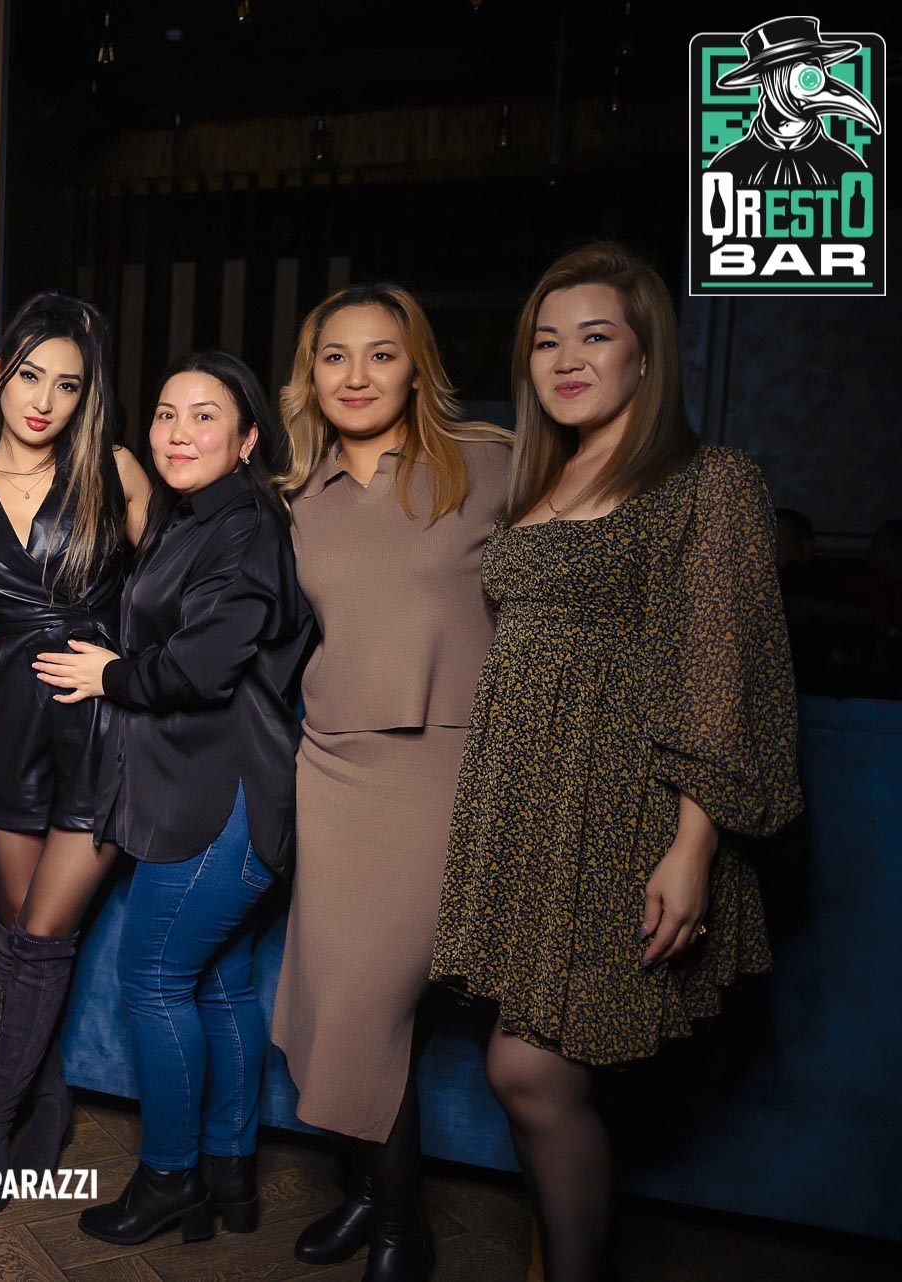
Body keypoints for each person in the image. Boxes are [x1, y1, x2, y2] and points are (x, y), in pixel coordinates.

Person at [431, 243, 802, 1282]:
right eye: (546, 341)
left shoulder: (709, 482)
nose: (566, 360)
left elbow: (722, 672)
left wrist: (693, 846)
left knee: (529, 1068)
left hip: (626, 812)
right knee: (540, 1063)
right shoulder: (534, 479)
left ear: (647, 356)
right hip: (531, 805)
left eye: (595, 337)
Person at [37, 352, 312, 1247]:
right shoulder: (193, 519)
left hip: (221, 791)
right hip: (206, 783)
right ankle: (229, 1176)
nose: (178, 432)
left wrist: (112, 674)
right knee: (224, 982)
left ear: (248, 438)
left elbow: (203, 666)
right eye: (165, 414)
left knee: (153, 979)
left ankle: (169, 1180)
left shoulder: (245, 526)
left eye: (204, 416)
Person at [270, 284, 512, 1280]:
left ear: (417, 368)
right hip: (332, 766)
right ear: (311, 375)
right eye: (335, 356)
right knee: (325, 998)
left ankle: (402, 1227)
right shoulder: (298, 496)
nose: (357, 375)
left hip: (442, 769)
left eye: (381, 353)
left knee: (368, 1005)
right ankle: (370, 1193)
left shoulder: (492, 465)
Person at [0, 292, 150, 1213]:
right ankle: (50, 1106)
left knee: (45, 934)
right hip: (8, 728)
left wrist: (125, 669)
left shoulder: (115, 471)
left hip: (101, 728)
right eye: (29, 376)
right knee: (21, 930)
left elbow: (169, 596)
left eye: (68, 385)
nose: (44, 400)